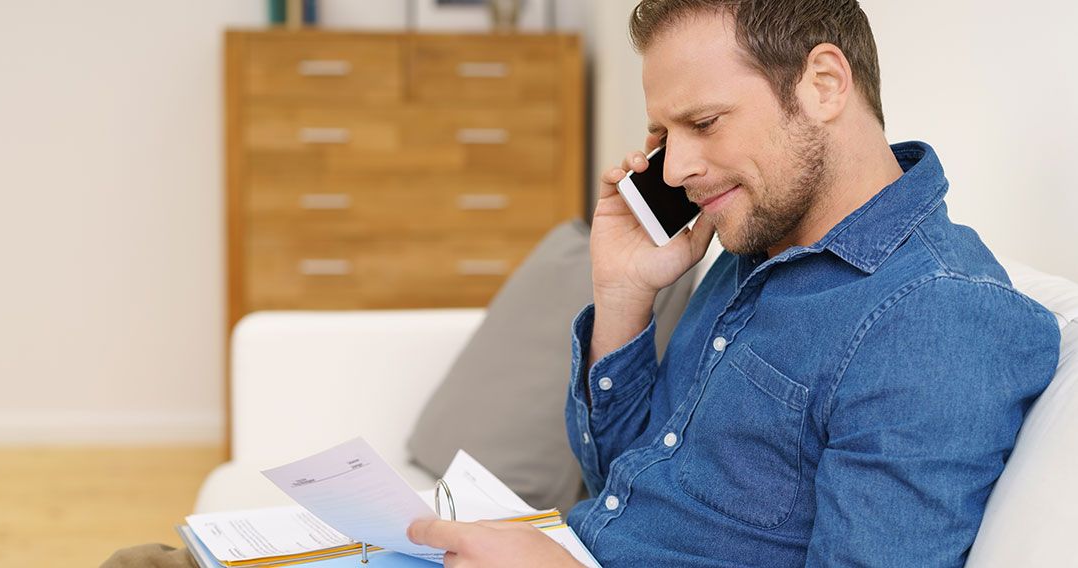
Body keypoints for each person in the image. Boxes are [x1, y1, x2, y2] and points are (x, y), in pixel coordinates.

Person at [407, 0, 1061, 566]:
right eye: (665, 134)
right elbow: (624, 480)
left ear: (825, 83)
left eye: (705, 122)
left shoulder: (937, 319)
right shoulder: (755, 235)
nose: (675, 169)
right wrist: (626, 295)